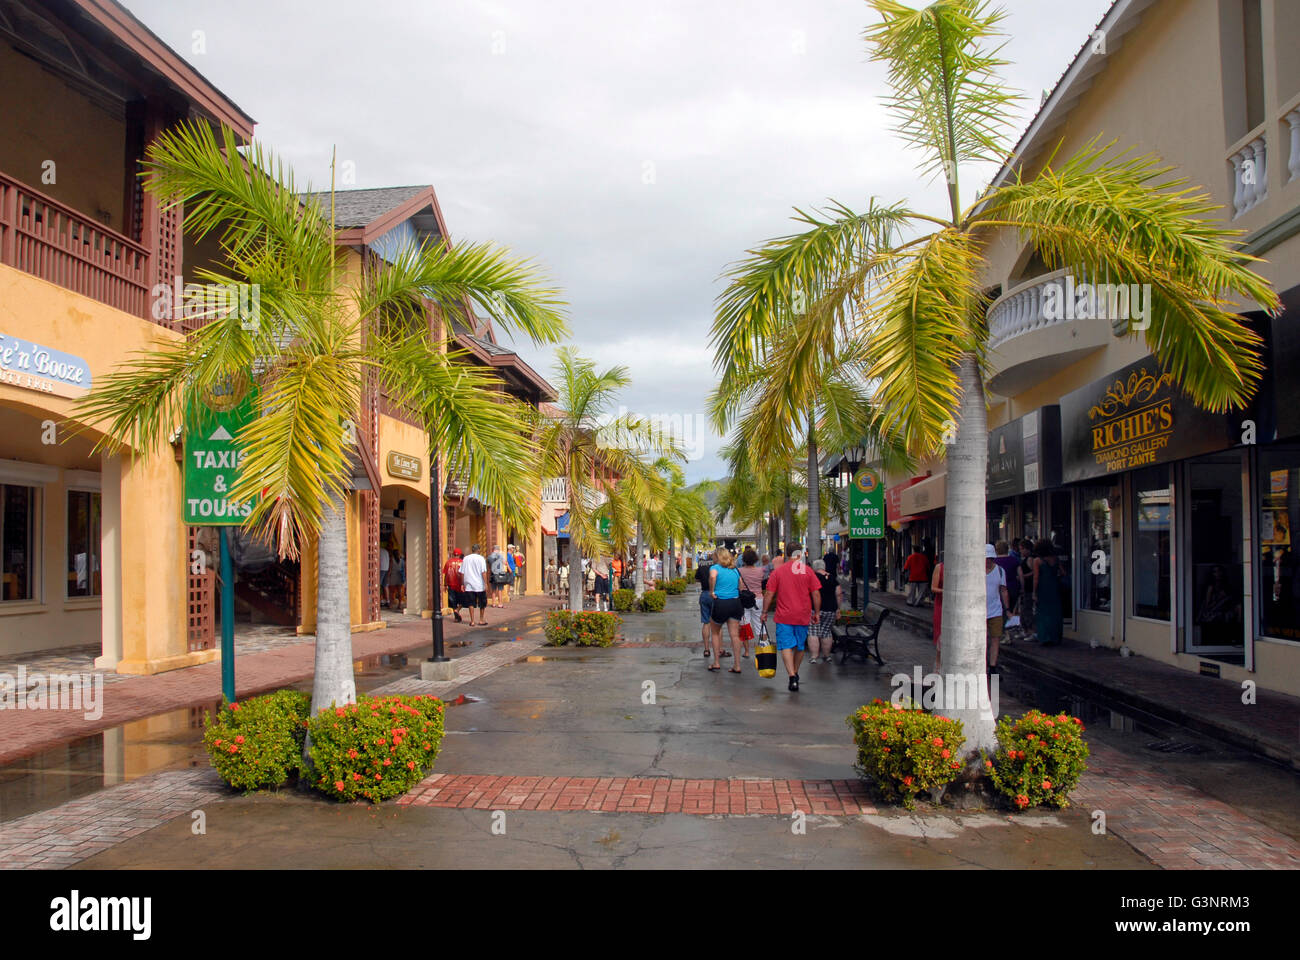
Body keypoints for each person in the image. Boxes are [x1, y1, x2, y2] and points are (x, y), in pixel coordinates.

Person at [760, 543, 821, 692]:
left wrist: (764, 611)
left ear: (786, 554)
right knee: (800, 646)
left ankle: (792, 676)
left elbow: (769, 593)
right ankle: (795, 672)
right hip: (803, 614)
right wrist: (817, 612)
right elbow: (816, 593)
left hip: (784, 615)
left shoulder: (779, 572)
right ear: (800, 554)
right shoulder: (808, 571)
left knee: (786, 646)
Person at [707, 547, 744, 673]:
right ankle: (737, 665)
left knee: (716, 632)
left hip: (721, 602)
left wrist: (712, 591)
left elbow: (712, 577)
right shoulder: (734, 569)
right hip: (735, 602)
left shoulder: (715, 568)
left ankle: (717, 662)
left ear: (717, 556)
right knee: (735, 634)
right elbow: (741, 585)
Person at [1032, 538, 1066, 647]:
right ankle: (1055, 636)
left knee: (1043, 613)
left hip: (1043, 588)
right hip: (1054, 587)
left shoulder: (1037, 560)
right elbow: (1063, 572)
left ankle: (1045, 637)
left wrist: (1034, 592)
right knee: (1055, 612)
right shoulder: (1055, 559)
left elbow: (1036, 578)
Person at [985, 543, 1011, 672]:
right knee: (983, 640)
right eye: (986, 559)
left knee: (995, 638)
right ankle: (983, 664)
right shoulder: (975, 571)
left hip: (995, 610)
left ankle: (993, 665)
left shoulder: (1000, 571)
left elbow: (1004, 590)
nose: (988, 561)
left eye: (990, 559)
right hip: (979, 612)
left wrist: (1007, 609)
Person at [809, 558, 840, 663]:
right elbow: (839, 593)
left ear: (814, 568)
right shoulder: (831, 577)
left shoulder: (813, 577)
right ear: (824, 567)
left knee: (813, 632)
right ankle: (827, 656)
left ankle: (814, 657)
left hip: (815, 609)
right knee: (826, 632)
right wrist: (838, 609)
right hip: (830, 609)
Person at [738, 547, 764, 659]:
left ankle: (747, 651)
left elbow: (738, 586)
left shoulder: (739, 571)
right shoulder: (761, 571)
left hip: (744, 600)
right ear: (755, 559)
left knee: (744, 625)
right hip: (758, 599)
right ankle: (763, 649)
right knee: (760, 625)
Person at [460, 543, 489, 626]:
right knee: (482, 603)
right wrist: (485, 583)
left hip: (469, 584)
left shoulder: (466, 558)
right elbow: (483, 572)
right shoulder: (481, 559)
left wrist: (462, 584)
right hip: (479, 584)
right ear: (478, 550)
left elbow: (462, 572)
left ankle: (472, 621)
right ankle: (481, 619)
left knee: (471, 603)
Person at [1017, 539, 1037, 641]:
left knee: (1027, 610)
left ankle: (1032, 632)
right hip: (1024, 588)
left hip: (1028, 588)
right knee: (1023, 610)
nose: (1020, 551)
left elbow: (1034, 572)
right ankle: (1025, 630)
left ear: (1027, 549)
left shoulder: (1030, 559)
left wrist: (1023, 576)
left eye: (1022, 549)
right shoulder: (1025, 559)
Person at [443, 548, 465, 622]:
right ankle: (457, 611)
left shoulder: (448, 562)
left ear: (453, 554)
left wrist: (445, 584)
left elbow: (446, 575)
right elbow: (464, 574)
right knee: (463, 600)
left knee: (453, 601)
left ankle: (456, 612)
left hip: (451, 584)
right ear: (460, 554)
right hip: (460, 584)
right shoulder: (462, 562)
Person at [930, 553, 944, 671]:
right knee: (941, 634)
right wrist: (946, 591)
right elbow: (933, 587)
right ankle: (938, 665)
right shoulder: (940, 567)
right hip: (942, 604)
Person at [379, 543, 392, 609]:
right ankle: (388, 601)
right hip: (386, 569)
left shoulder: (378, 551)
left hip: (380, 569)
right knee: (385, 586)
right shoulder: (386, 551)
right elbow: (389, 561)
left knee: (377, 586)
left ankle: (378, 601)